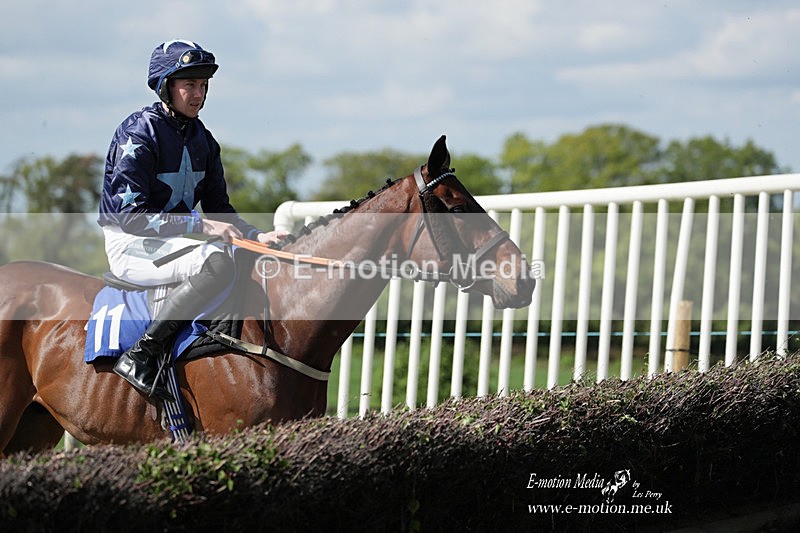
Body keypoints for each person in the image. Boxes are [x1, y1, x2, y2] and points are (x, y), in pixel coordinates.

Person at [98, 39, 285, 401]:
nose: (199, 95)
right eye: (189, 85)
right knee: (216, 262)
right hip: (129, 243)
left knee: (242, 258)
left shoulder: (204, 140)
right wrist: (200, 226)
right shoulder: (138, 132)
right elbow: (130, 217)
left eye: (203, 85)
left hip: (173, 242)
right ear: (165, 87)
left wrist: (255, 236)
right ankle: (142, 354)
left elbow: (219, 209)